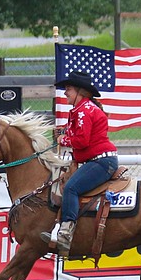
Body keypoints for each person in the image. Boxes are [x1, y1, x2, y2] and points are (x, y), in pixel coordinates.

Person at [40, 70, 118, 257]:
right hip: (100, 160)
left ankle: (66, 231)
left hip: (101, 161)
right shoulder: (82, 110)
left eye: (68, 89)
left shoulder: (84, 111)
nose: (65, 92)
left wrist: (63, 140)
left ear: (80, 92)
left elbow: (82, 141)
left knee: (71, 189)